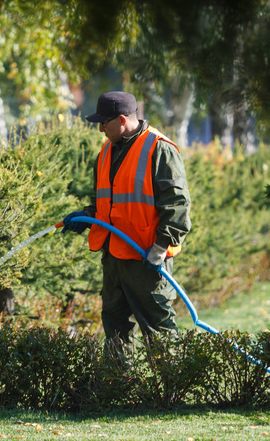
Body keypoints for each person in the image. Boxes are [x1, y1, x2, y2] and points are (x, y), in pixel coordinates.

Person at [62, 91, 191, 355]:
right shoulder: (107, 151)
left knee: (158, 330)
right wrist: (85, 217)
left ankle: (172, 393)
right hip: (114, 258)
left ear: (121, 120)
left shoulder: (159, 148)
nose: (99, 129)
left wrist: (159, 248)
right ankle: (119, 388)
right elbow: (106, 204)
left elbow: (178, 206)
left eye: (103, 122)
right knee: (115, 327)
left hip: (146, 259)